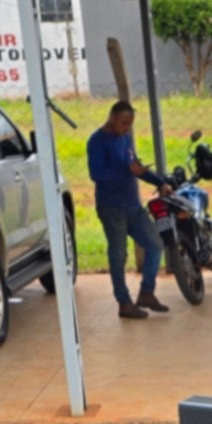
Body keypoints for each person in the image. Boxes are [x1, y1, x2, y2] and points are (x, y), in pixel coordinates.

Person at [86, 102, 166, 318]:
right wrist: (126, 170)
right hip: (112, 208)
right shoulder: (97, 141)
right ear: (112, 117)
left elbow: (135, 167)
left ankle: (146, 292)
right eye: (124, 123)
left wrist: (159, 182)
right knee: (119, 254)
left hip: (133, 205)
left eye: (130, 124)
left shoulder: (125, 139)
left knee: (155, 244)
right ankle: (124, 302)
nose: (127, 128)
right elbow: (96, 174)